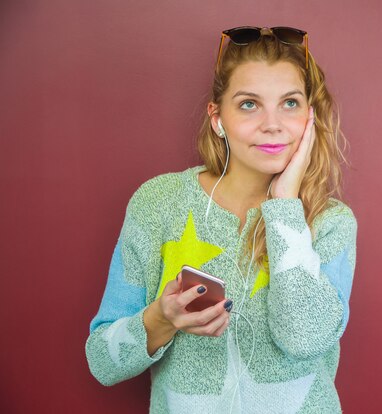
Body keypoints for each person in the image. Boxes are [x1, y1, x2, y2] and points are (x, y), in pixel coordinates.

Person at [86, 26, 357, 413]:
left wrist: (283, 205)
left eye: (290, 103)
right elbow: (102, 362)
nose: (272, 124)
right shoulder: (158, 203)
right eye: (249, 104)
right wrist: (161, 319)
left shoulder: (331, 223)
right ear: (218, 118)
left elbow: (304, 339)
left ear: (311, 118)